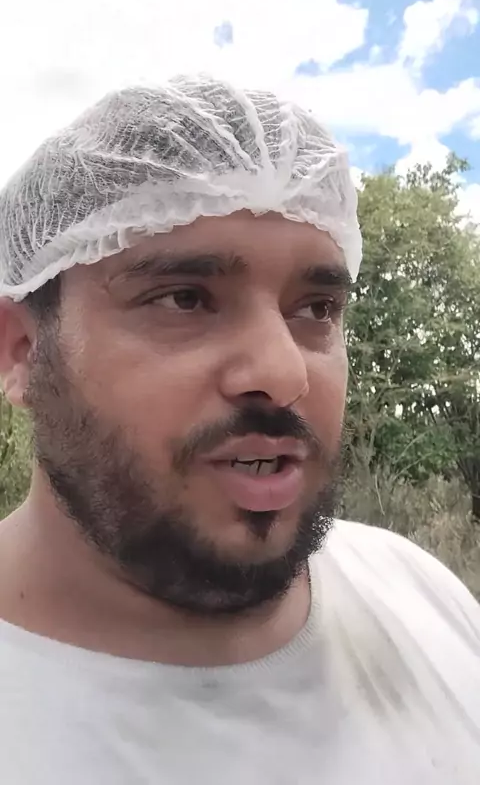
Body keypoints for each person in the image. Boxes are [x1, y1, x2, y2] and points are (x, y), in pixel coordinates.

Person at [0, 74, 478, 784]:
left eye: (315, 309)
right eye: (184, 299)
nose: (283, 373)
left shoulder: (417, 593)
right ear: (21, 351)